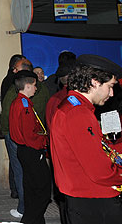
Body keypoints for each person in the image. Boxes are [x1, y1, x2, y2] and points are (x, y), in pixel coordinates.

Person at [50, 54, 122, 224]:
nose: (111, 94)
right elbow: (99, 170)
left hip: (85, 197)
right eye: (110, 86)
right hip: (94, 200)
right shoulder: (78, 113)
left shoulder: (75, 106)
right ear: (95, 81)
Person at [9, 70, 51, 224]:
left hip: (24, 149)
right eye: (34, 85)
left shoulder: (18, 102)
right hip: (31, 150)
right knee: (42, 189)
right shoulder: (24, 105)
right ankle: (33, 219)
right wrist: (43, 142)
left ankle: (32, 219)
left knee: (31, 187)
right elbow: (29, 135)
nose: (36, 88)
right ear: (27, 86)